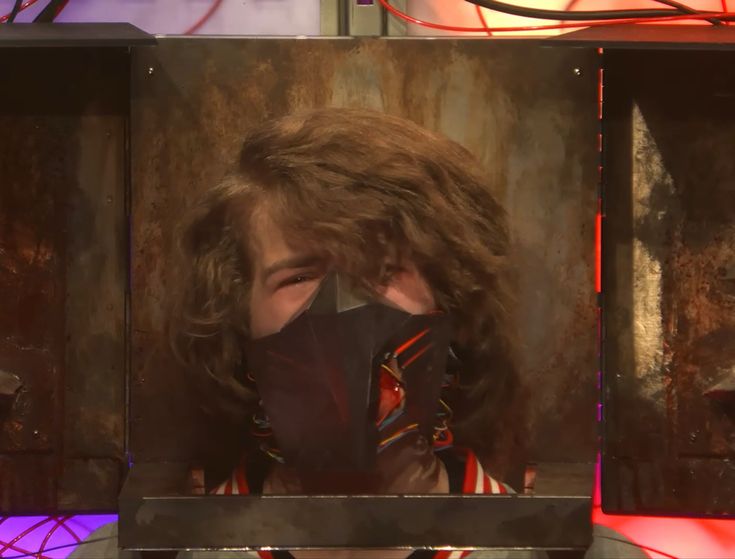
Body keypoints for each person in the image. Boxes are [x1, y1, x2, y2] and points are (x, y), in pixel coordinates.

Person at [71, 107, 532, 559]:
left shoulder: (562, 548)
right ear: (236, 315)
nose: (345, 307)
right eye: (299, 276)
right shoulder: (131, 553)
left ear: (449, 296)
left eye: (383, 270)